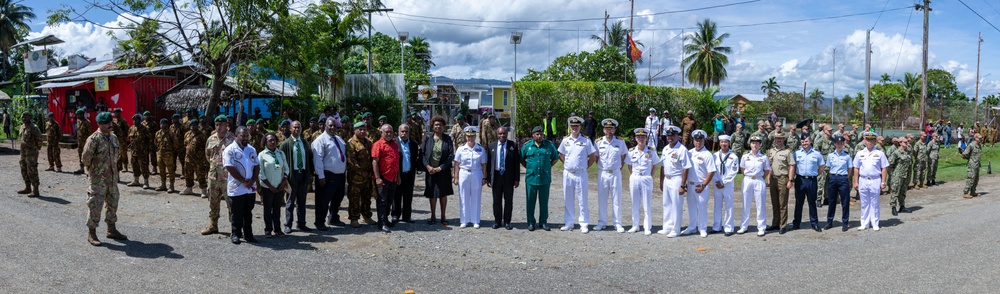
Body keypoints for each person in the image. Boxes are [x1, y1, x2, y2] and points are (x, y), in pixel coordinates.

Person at [82, 112, 127, 246]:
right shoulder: (93, 139)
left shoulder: (113, 138)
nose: (110, 125)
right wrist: (94, 172)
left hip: (112, 179)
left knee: (113, 204)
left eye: (110, 122)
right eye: (107, 123)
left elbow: (116, 156)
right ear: (100, 124)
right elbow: (85, 159)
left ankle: (111, 230)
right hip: (98, 180)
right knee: (95, 205)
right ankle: (92, 233)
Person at [559, 116, 597, 233]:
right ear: (570, 127)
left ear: (580, 127)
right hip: (568, 174)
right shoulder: (565, 140)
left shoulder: (586, 140)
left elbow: (592, 157)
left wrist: (585, 166)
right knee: (568, 199)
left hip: (581, 174)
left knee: (582, 199)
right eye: (572, 126)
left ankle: (584, 223)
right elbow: (561, 154)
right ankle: (569, 222)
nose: (574, 128)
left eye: (577, 126)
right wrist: (568, 164)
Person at [201, 115, 236, 235]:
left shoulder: (233, 140)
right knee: (213, 202)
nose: (219, 127)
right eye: (216, 124)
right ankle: (213, 225)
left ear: (227, 125)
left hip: (228, 178)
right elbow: (208, 156)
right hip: (213, 177)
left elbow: (237, 159)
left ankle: (234, 228)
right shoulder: (211, 139)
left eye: (221, 124)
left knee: (231, 203)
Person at [223, 127, 259, 244]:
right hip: (237, 187)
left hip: (250, 188)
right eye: (242, 136)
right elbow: (230, 167)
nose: (245, 138)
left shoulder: (251, 149)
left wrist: (252, 180)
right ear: (236, 135)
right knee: (236, 212)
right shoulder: (229, 150)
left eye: (246, 136)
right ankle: (236, 234)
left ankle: (248, 234)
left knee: (248, 212)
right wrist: (243, 181)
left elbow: (256, 166)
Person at [590, 119, 627, 232]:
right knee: (602, 199)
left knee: (617, 199)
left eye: (611, 129)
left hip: (615, 173)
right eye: (607, 129)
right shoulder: (598, 142)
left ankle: (618, 223)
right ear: (603, 130)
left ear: (614, 130)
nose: (609, 131)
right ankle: (602, 222)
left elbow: (624, 155)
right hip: (603, 173)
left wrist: (618, 167)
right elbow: (596, 157)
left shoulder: (620, 142)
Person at [279, 121, 316, 232]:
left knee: (302, 201)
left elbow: (309, 159)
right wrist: (284, 176)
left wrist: (310, 174)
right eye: (294, 127)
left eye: (299, 127)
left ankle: (301, 223)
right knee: (290, 201)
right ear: (290, 129)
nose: (297, 129)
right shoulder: (285, 144)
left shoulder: (304, 143)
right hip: (292, 175)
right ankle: (288, 224)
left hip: (303, 173)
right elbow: (281, 161)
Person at [312, 117, 348, 227]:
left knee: (337, 198)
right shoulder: (320, 140)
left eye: (334, 126)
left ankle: (333, 218)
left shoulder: (339, 139)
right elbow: (318, 159)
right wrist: (321, 176)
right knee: (323, 200)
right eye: (330, 125)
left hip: (340, 175)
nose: (333, 128)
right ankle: (320, 222)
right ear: (325, 126)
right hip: (327, 175)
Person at [658, 126, 690, 237]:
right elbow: (662, 166)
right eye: (668, 135)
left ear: (678, 136)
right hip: (667, 179)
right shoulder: (666, 148)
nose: (670, 137)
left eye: (672, 135)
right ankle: (667, 227)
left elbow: (686, 168)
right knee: (666, 204)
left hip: (677, 179)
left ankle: (676, 229)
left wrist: (683, 185)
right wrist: (661, 181)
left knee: (676, 205)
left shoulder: (682, 150)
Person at [486, 126, 520, 230]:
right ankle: (497, 221)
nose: (502, 135)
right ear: (497, 134)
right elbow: (489, 163)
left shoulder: (513, 145)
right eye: (500, 134)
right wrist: (487, 178)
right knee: (496, 200)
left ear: (506, 134)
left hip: (508, 177)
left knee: (508, 200)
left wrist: (517, 179)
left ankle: (507, 221)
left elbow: (516, 164)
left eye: (504, 134)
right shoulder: (491, 146)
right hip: (496, 176)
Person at [626, 128, 659, 235]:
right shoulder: (631, 151)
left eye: (643, 137)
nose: (641, 139)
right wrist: (635, 175)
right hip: (635, 177)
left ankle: (647, 227)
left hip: (646, 178)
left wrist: (650, 175)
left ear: (646, 138)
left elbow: (655, 165)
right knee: (634, 202)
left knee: (647, 203)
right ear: (635, 138)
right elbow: (629, 166)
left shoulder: (651, 150)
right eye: (638, 137)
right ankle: (635, 225)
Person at [684, 130, 716, 237]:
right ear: (693, 141)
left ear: (704, 140)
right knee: (691, 207)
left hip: (701, 185)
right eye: (696, 140)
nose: (698, 142)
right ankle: (692, 227)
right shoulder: (689, 153)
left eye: (700, 140)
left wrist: (704, 185)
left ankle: (702, 228)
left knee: (702, 207)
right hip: (690, 184)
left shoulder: (707, 155)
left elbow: (711, 171)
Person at [854, 131, 889, 231]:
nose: (870, 142)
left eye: (872, 140)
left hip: (875, 180)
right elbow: (856, 167)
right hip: (863, 180)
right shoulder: (860, 153)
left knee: (874, 203)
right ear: (864, 140)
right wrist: (855, 182)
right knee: (864, 203)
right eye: (868, 139)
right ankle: (864, 223)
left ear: (875, 141)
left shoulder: (880, 153)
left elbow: (884, 168)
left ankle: (875, 223)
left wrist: (883, 181)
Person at [423, 116, 455, 225]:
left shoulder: (447, 139)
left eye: (440, 125)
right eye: (436, 125)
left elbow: (451, 155)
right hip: (431, 170)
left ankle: (443, 216)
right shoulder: (428, 138)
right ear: (432, 126)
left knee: (443, 193)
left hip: (443, 170)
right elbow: (422, 154)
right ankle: (432, 216)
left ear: (443, 126)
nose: (438, 126)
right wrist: (428, 166)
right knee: (432, 193)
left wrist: (441, 167)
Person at [454, 126, 487, 229]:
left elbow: (484, 164)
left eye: (472, 136)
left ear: (475, 136)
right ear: (465, 137)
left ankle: (475, 220)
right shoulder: (461, 149)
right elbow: (456, 163)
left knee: (476, 197)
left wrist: (484, 177)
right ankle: (464, 220)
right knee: (463, 197)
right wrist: (455, 177)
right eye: (468, 136)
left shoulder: (480, 149)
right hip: (463, 173)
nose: (470, 139)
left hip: (476, 173)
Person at [790, 135, 824, 233]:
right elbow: (793, 166)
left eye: (806, 141)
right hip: (800, 180)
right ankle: (796, 223)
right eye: (803, 141)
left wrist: (813, 175)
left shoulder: (816, 154)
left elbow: (821, 167)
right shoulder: (796, 153)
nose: (804, 143)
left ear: (810, 141)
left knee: (812, 202)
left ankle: (814, 223)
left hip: (811, 180)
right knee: (799, 203)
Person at [346, 121, 377, 227]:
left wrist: (371, 172)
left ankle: (366, 216)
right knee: (354, 198)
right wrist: (362, 172)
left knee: (367, 197)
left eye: (364, 129)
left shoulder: (368, 142)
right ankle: (354, 218)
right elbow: (351, 161)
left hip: (368, 176)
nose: (363, 131)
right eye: (360, 129)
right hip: (356, 177)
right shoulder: (351, 143)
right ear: (355, 130)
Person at [372, 124, 401, 233]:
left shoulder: (394, 144)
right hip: (383, 178)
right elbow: (375, 162)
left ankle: (386, 219)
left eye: (390, 132)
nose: (389, 134)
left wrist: (398, 176)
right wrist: (378, 178)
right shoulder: (378, 145)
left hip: (393, 178)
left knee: (389, 200)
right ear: (381, 133)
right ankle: (382, 222)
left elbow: (397, 161)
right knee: (382, 201)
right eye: (386, 132)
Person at [258, 133, 288, 237]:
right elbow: (261, 173)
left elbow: (286, 168)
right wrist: (270, 187)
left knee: (277, 209)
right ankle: (268, 229)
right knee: (267, 209)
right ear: (265, 142)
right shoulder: (262, 155)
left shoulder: (281, 153)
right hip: (267, 187)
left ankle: (278, 229)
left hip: (279, 186)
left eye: (274, 140)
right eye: (270, 140)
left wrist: (283, 181)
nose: (272, 142)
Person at [739, 135, 770, 237]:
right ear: (750, 144)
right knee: (745, 204)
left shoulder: (764, 157)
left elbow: (766, 171)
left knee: (760, 205)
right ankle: (744, 226)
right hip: (747, 180)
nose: (755, 145)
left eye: (757, 143)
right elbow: (742, 169)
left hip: (759, 180)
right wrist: (749, 176)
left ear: (760, 145)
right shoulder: (745, 156)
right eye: (753, 143)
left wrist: (759, 177)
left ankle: (761, 227)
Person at [711, 134, 739, 236]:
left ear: (729, 143)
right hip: (717, 184)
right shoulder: (714, 156)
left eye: (726, 142)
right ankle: (716, 226)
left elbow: (734, 171)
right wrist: (716, 181)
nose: (724, 144)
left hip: (727, 185)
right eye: (722, 142)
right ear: (719, 143)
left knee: (729, 206)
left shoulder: (733, 156)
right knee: (717, 206)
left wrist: (723, 182)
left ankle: (728, 228)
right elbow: (712, 170)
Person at [825, 135, 853, 231]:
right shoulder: (830, 155)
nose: (839, 145)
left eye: (841, 143)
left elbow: (850, 169)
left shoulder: (847, 156)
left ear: (843, 144)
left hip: (843, 179)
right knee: (832, 201)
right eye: (838, 143)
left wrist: (845, 177)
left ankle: (845, 222)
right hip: (833, 178)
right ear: (835, 144)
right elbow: (828, 167)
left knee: (845, 202)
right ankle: (829, 222)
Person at [767, 131, 793, 233]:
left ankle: (782, 225)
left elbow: (792, 166)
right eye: (777, 138)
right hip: (773, 178)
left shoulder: (787, 152)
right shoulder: (771, 151)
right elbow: (769, 166)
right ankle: (775, 223)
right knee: (774, 203)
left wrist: (790, 180)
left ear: (783, 140)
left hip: (783, 178)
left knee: (782, 203)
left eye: (781, 138)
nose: (779, 140)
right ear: (774, 139)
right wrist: (768, 179)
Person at [394, 124, 420, 224]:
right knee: (396, 195)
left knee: (408, 195)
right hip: (398, 174)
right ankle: (395, 215)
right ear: (398, 132)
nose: (404, 133)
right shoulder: (394, 143)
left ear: (409, 133)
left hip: (409, 173)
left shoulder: (413, 144)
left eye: (406, 132)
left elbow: (415, 159)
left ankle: (406, 216)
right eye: (402, 131)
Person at [17, 112, 43, 197]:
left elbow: (39, 139)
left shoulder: (33, 127)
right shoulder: (22, 127)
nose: (24, 118)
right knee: (23, 170)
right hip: (23, 153)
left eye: (26, 117)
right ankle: (27, 188)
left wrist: (36, 149)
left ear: (29, 117)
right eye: (23, 117)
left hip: (31, 154)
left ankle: (35, 191)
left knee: (32, 171)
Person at [181, 119, 206, 195]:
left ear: (197, 125)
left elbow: (206, 147)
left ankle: (203, 190)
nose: (192, 127)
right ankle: (189, 188)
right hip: (188, 159)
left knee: (200, 175)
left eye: (194, 125)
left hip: (198, 159)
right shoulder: (187, 134)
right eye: (191, 125)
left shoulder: (202, 136)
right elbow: (185, 144)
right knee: (188, 174)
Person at [888, 137, 912, 216]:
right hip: (898, 174)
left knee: (903, 191)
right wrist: (893, 173)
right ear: (900, 143)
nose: (906, 143)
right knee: (895, 191)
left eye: (906, 142)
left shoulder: (907, 152)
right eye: (904, 142)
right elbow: (890, 163)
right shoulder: (896, 152)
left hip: (906, 174)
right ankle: (893, 207)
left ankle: (902, 206)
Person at [126, 114, 150, 188]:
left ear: (140, 120)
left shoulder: (144, 129)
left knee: (143, 166)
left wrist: (146, 149)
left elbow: (149, 139)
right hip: (133, 151)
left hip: (142, 152)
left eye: (136, 120)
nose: (135, 121)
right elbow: (129, 138)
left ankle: (146, 182)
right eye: (134, 120)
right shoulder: (131, 128)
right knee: (134, 165)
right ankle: (136, 180)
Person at [155, 118, 178, 192]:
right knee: (161, 170)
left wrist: (170, 150)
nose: (162, 125)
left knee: (170, 171)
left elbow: (175, 143)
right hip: (160, 154)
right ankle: (163, 185)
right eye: (161, 124)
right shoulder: (158, 133)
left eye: (164, 123)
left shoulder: (170, 133)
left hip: (168, 155)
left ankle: (171, 186)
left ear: (167, 124)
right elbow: (155, 143)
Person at [814, 125, 833, 208]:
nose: (830, 132)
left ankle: (827, 198)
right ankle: (818, 199)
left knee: (829, 183)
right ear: (824, 131)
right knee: (820, 183)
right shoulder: (820, 141)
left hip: (831, 166)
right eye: (828, 130)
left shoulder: (833, 141)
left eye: (831, 130)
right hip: (822, 166)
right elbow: (816, 153)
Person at [961, 133, 982, 199]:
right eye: (979, 138)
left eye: (981, 138)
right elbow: (964, 154)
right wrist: (970, 159)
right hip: (972, 164)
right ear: (975, 138)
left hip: (977, 164)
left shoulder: (979, 145)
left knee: (976, 179)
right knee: (970, 178)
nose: (980, 139)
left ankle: (973, 192)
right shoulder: (971, 145)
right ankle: (965, 193)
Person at [75, 109, 93, 174]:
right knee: (80, 155)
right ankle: (81, 168)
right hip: (80, 142)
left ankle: (90, 170)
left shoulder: (87, 122)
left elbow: (90, 132)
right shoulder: (78, 122)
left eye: (78, 115)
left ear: (82, 114)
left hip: (86, 142)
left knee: (88, 155)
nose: (77, 116)